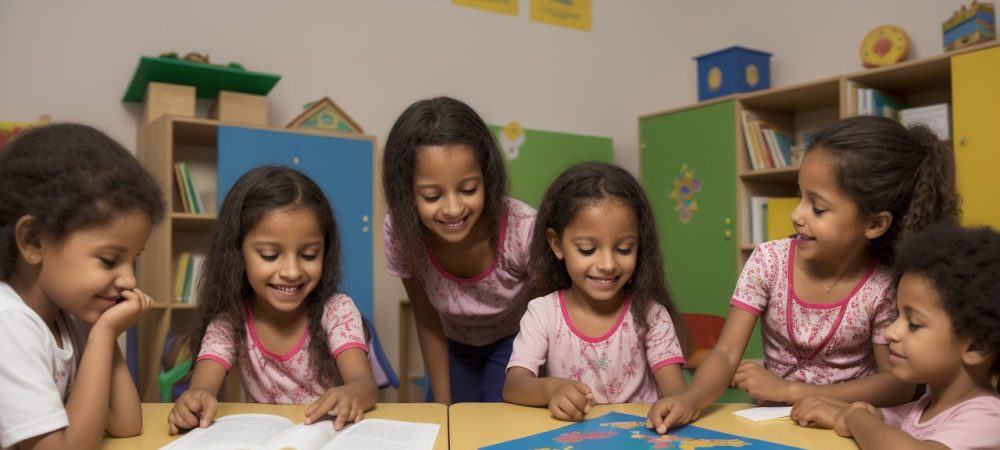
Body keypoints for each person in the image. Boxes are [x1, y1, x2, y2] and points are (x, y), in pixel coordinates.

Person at [649, 116, 961, 433]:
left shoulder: (883, 287)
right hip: (774, 426)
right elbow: (727, 353)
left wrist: (792, 391)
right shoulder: (768, 262)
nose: (797, 215)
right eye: (800, 196)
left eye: (818, 208)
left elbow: (897, 385)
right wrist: (691, 398)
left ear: (874, 224)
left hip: (843, 428)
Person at [167, 166, 376, 434]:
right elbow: (202, 387)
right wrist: (195, 399)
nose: (291, 272)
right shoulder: (230, 322)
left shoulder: (337, 311)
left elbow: (364, 384)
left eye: (309, 255)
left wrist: (352, 393)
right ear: (237, 254)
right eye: (269, 255)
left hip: (330, 436)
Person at [0, 124, 165, 449]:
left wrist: (102, 331)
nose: (130, 281)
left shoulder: (68, 317)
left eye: (134, 260)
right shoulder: (9, 325)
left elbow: (125, 423)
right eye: (108, 260)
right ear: (34, 240)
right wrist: (103, 335)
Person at [503, 162, 687, 424]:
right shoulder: (543, 313)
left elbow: (677, 393)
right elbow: (514, 385)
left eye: (624, 249)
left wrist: (675, 404)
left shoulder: (651, 314)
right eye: (588, 249)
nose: (608, 264)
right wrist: (551, 389)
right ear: (557, 244)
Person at [790, 224, 1000, 450]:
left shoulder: (988, 418)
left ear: (975, 346)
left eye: (914, 324)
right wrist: (848, 412)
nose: (891, 332)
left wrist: (855, 417)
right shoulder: (924, 408)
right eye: (898, 315)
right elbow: (878, 421)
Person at [382, 97, 536, 403]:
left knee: (500, 427)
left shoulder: (523, 229)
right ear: (406, 193)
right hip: (452, 343)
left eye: (468, 189)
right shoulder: (401, 233)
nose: (453, 209)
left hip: (518, 342)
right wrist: (442, 406)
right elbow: (426, 319)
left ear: (487, 179)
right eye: (432, 195)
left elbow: (550, 317)